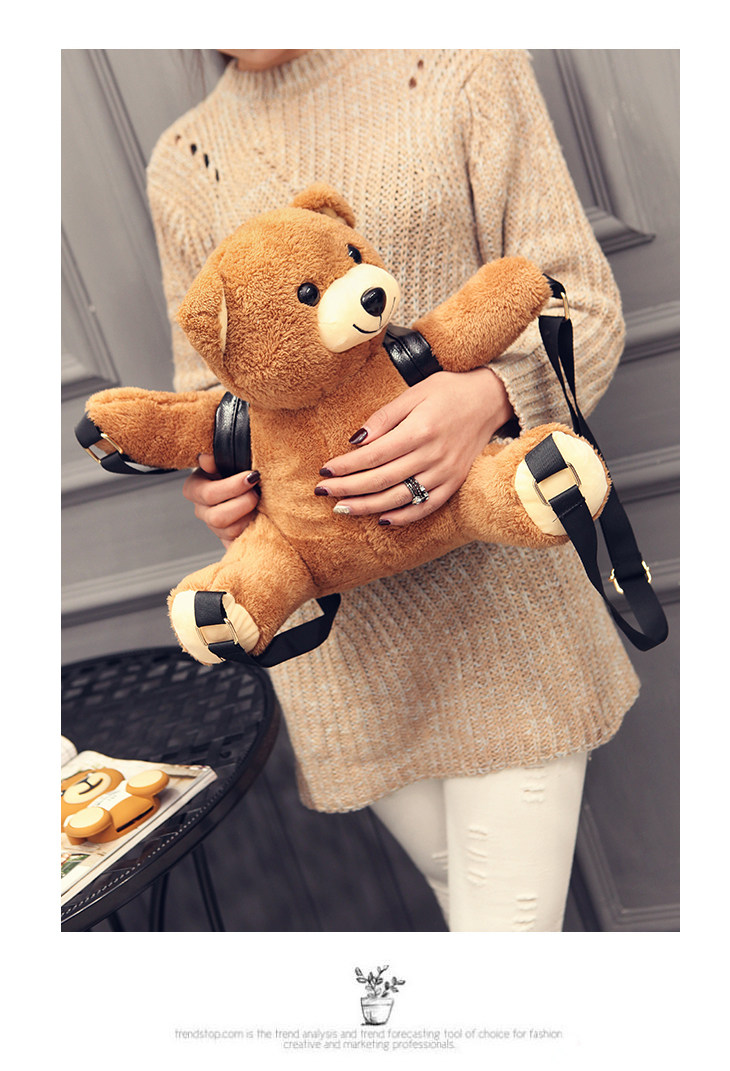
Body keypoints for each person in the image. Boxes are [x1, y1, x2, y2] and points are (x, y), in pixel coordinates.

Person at [146, 48, 640, 931]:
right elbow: (211, 397)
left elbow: (582, 301)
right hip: (345, 658)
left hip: (504, 611)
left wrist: (490, 396)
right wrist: (220, 484)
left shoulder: (464, 65)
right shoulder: (186, 161)